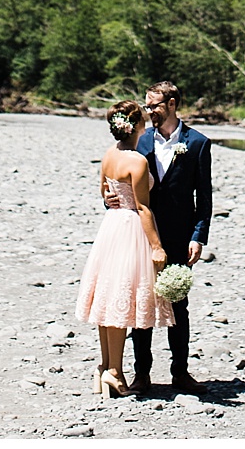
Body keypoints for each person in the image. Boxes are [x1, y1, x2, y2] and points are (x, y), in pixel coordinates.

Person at [75, 100, 173, 397]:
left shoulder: (109, 155)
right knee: (119, 299)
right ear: (137, 127)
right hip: (130, 227)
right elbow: (143, 208)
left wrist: (110, 199)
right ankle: (115, 373)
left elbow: (105, 192)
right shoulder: (137, 161)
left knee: (107, 298)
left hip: (111, 226)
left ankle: (105, 367)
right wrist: (157, 247)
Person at [126, 79, 213, 396]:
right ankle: (141, 376)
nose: (149, 111)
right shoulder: (140, 140)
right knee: (142, 305)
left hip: (179, 235)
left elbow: (204, 197)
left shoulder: (198, 143)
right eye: (147, 106)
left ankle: (181, 373)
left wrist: (198, 236)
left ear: (173, 105)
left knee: (179, 304)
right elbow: (124, 183)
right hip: (143, 235)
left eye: (154, 106)